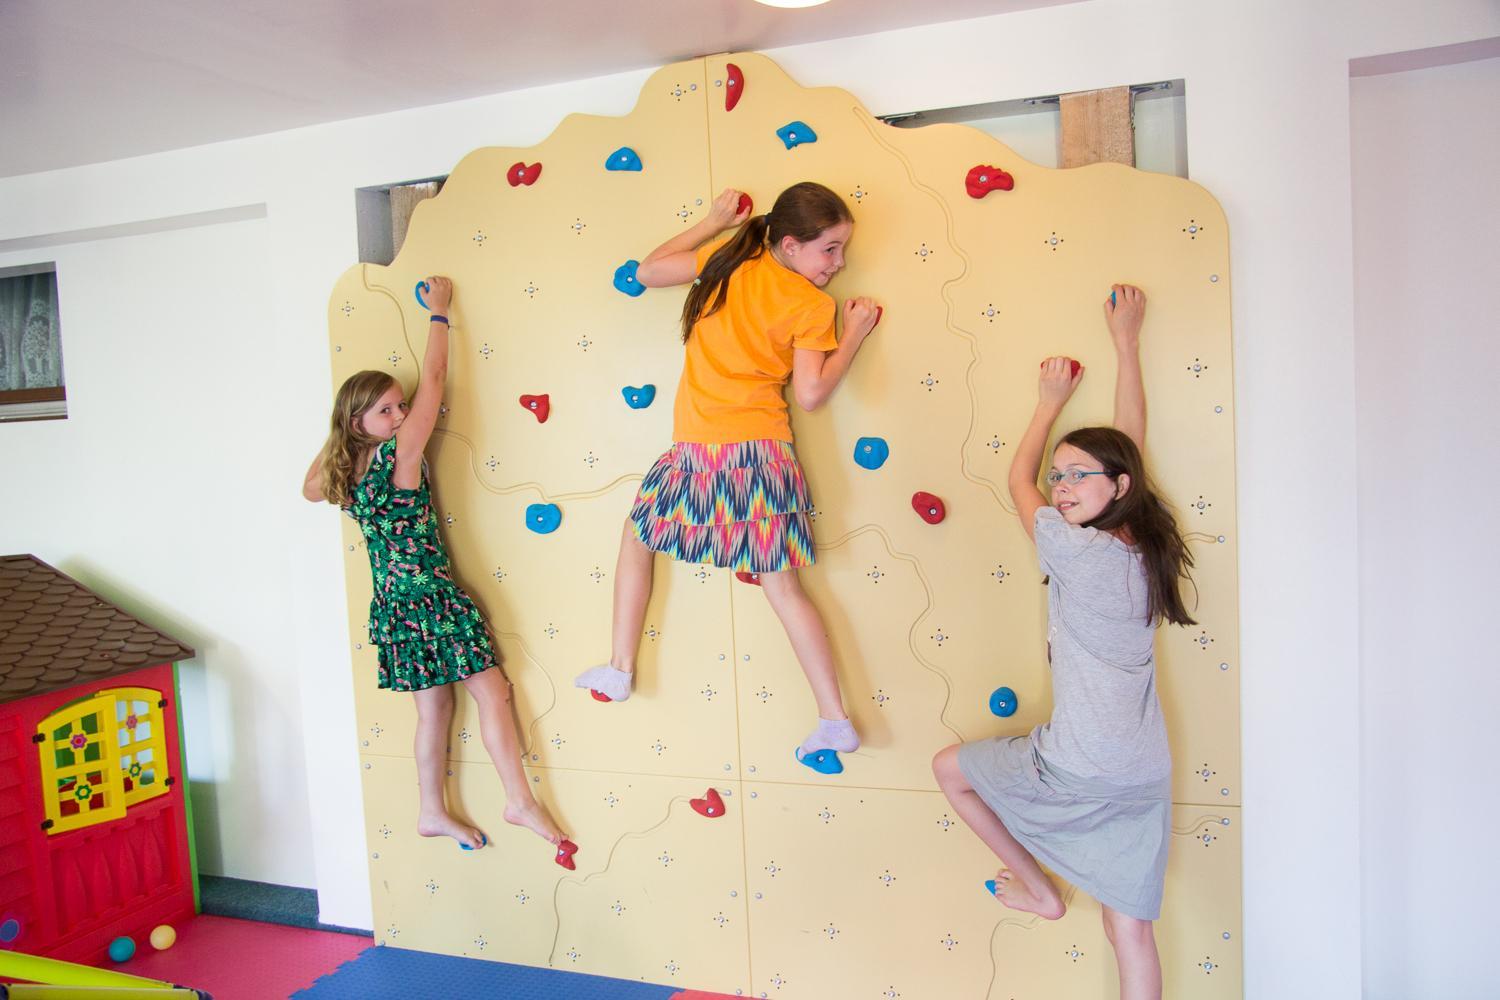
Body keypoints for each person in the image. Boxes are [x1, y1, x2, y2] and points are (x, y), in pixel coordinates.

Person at [931, 285, 1194, 1000]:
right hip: (1142, 771)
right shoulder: (1142, 546)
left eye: (1078, 476)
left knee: (950, 769)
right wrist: (1126, 344)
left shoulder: (1073, 548)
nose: (1063, 485)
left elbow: (1016, 477)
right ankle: (1045, 892)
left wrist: (1048, 402)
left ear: (1117, 487)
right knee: (1128, 929)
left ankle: (1039, 891)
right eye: (1061, 476)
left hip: (1080, 765)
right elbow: (1127, 451)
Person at [574, 183, 881, 765]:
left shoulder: (728, 262)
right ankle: (833, 719)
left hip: (701, 450)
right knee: (780, 587)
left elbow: (647, 271)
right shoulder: (806, 303)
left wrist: (712, 223)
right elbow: (812, 393)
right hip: (753, 455)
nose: (839, 263)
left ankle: (619, 667)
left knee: (639, 540)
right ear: (789, 245)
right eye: (830, 249)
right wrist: (855, 335)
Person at [304, 276, 572, 861]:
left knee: (436, 710)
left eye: (399, 407)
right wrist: (440, 313)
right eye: (385, 410)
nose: (401, 415)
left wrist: (345, 430)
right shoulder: (399, 457)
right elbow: (435, 380)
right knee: (493, 692)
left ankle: (431, 809)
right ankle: (517, 800)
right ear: (358, 421)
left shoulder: (344, 477)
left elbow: (309, 486)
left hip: (394, 610)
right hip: (431, 599)